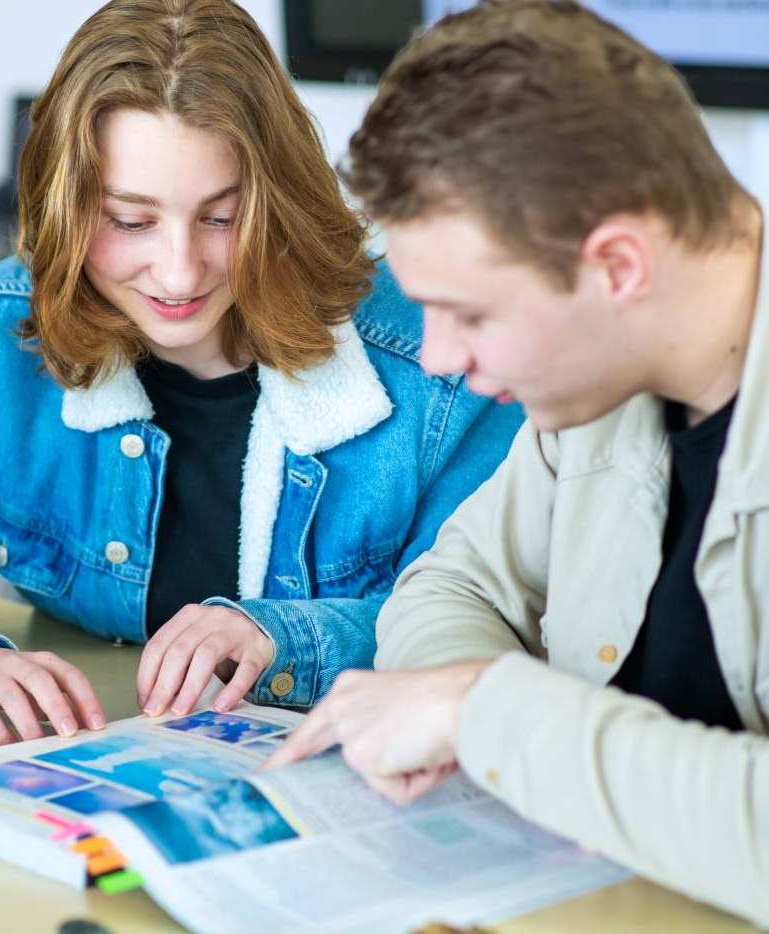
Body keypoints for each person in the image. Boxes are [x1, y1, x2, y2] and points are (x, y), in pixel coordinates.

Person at [0, 0, 522, 747]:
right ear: (64, 210)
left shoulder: (438, 351)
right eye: (129, 221)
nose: (178, 270)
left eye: (223, 217)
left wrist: (276, 637)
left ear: (280, 201)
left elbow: (487, 614)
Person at [268, 1, 769, 925]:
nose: (439, 359)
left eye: (471, 314)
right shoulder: (592, 382)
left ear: (616, 267)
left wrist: (486, 712)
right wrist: (457, 705)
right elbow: (451, 586)